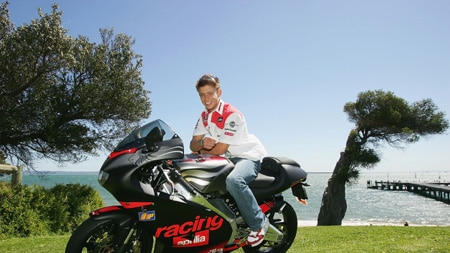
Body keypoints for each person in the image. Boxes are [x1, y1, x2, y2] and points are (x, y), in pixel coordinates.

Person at [189, 74, 269, 247]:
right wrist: (202, 143)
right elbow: (192, 145)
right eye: (202, 95)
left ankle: (259, 223)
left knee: (234, 181)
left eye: (210, 93)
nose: (206, 99)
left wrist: (202, 147)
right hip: (228, 159)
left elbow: (219, 150)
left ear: (219, 92)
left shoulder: (232, 115)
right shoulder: (204, 116)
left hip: (248, 157)